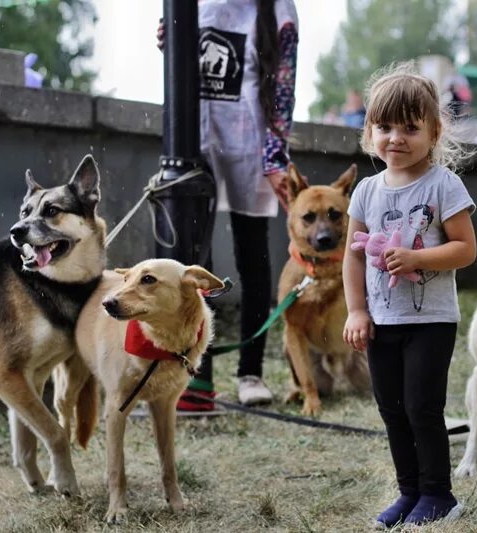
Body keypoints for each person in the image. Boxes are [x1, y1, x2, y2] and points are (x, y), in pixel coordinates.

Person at [343, 62, 476, 527]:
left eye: (409, 128)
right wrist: (357, 310)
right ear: (369, 131)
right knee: (392, 410)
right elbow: (354, 256)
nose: (395, 138)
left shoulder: (444, 185)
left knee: (422, 406)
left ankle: (439, 494)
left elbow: (466, 249)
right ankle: (409, 491)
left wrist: (418, 259)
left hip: (431, 320)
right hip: (382, 321)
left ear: (434, 132)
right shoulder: (365, 191)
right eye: (384, 127)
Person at [157, 0, 299, 408]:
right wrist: (170, 44)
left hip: (248, 142)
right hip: (194, 140)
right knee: (194, 259)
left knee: (252, 256)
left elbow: (282, 87)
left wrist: (275, 158)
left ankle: (250, 373)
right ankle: (196, 374)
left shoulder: (278, 10)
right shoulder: (195, 4)